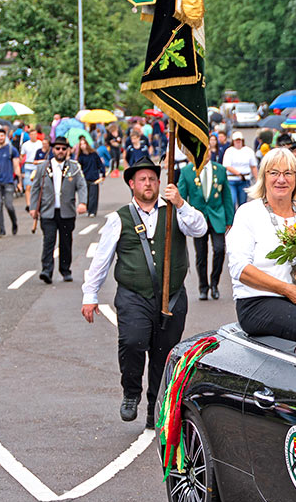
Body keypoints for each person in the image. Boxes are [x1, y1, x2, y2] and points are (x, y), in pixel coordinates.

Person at [82, 159, 206, 426]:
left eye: (152, 179)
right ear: (132, 184)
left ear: (159, 183)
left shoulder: (176, 212)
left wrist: (181, 203)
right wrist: (90, 295)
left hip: (172, 297)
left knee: (164, 354)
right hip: (133, 296)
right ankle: (131, 392)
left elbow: (200, 229)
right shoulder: (119, 218)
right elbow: (101, 260)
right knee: (132, 342)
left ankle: (155, 408)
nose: (148, 183)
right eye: (142, 179)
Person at [228, 147, 296, 347]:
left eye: (288, 173)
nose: (281, 179)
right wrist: (286, 289)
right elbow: (240, 269)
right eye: (274, 173)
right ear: (263, 177)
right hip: (257, 301)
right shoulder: (248, 213)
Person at [177, 151, 235, 300]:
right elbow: (181, 198)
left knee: (220, 249)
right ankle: (203, 287)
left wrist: (230, 219)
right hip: (198, 219)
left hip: (217, 216)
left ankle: (214, 283)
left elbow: (227, 196)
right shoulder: (187, 171)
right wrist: (183, 218)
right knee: (201, 255)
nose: (205, 153)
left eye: (208, 150)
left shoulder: (220, 170)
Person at [31, 136, 87, 284]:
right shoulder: (43, 167)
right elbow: (35, 188)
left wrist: (83, 202)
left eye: (63, 148)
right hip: (48, 211)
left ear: (67, 150)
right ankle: (46, 270)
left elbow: (81, 185)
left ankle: (65, 270)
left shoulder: (74, 168)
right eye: (57, 148)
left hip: (66, 212)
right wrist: (33, 207)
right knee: (48, 241)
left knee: (65, 242)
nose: (60, 151)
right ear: (53, 150)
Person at [0, 127, 20, 238]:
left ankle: (14, 223)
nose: (0, 138)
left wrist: (19, 181)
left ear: (5, 136)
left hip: (8, 180)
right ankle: (1, 229)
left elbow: (16, 165)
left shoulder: (11, 149)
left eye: (2, 135)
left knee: (9, 205)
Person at [222, 131, 256, 208]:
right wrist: (238, 174)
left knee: (243, 203)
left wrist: (258, 180)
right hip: (231, 180)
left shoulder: (248, 151)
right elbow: (227, 166)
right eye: (236, 140)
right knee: (232, 201)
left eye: (239, 140)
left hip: (244, 180)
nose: (238, 142)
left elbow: (253, 166)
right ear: (233, 141)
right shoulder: (229, 151)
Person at [75, 135, 106, 217]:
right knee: (87, 195)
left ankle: (93, 211)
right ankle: (88, 209)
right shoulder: (80, 157)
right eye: (81, 144)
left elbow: (100, 164)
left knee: (93, 195)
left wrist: (103, 173)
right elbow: (79, 168)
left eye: (84, 144)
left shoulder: (93, 154)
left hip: (94, 177)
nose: (83, 146)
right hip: (85, 178)